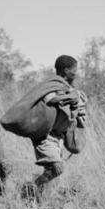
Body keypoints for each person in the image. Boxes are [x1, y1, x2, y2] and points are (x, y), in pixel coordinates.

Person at [30, 55, 86, 200]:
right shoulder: (52, 85)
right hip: (45, 136)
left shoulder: (68, 87)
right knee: (57, 168)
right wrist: (70, 97)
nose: (76, 73)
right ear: (66, 70)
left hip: (58, 137)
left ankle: (40, 198)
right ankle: (33, 188)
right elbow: (50, 99)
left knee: (52, 171)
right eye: (74, 70)